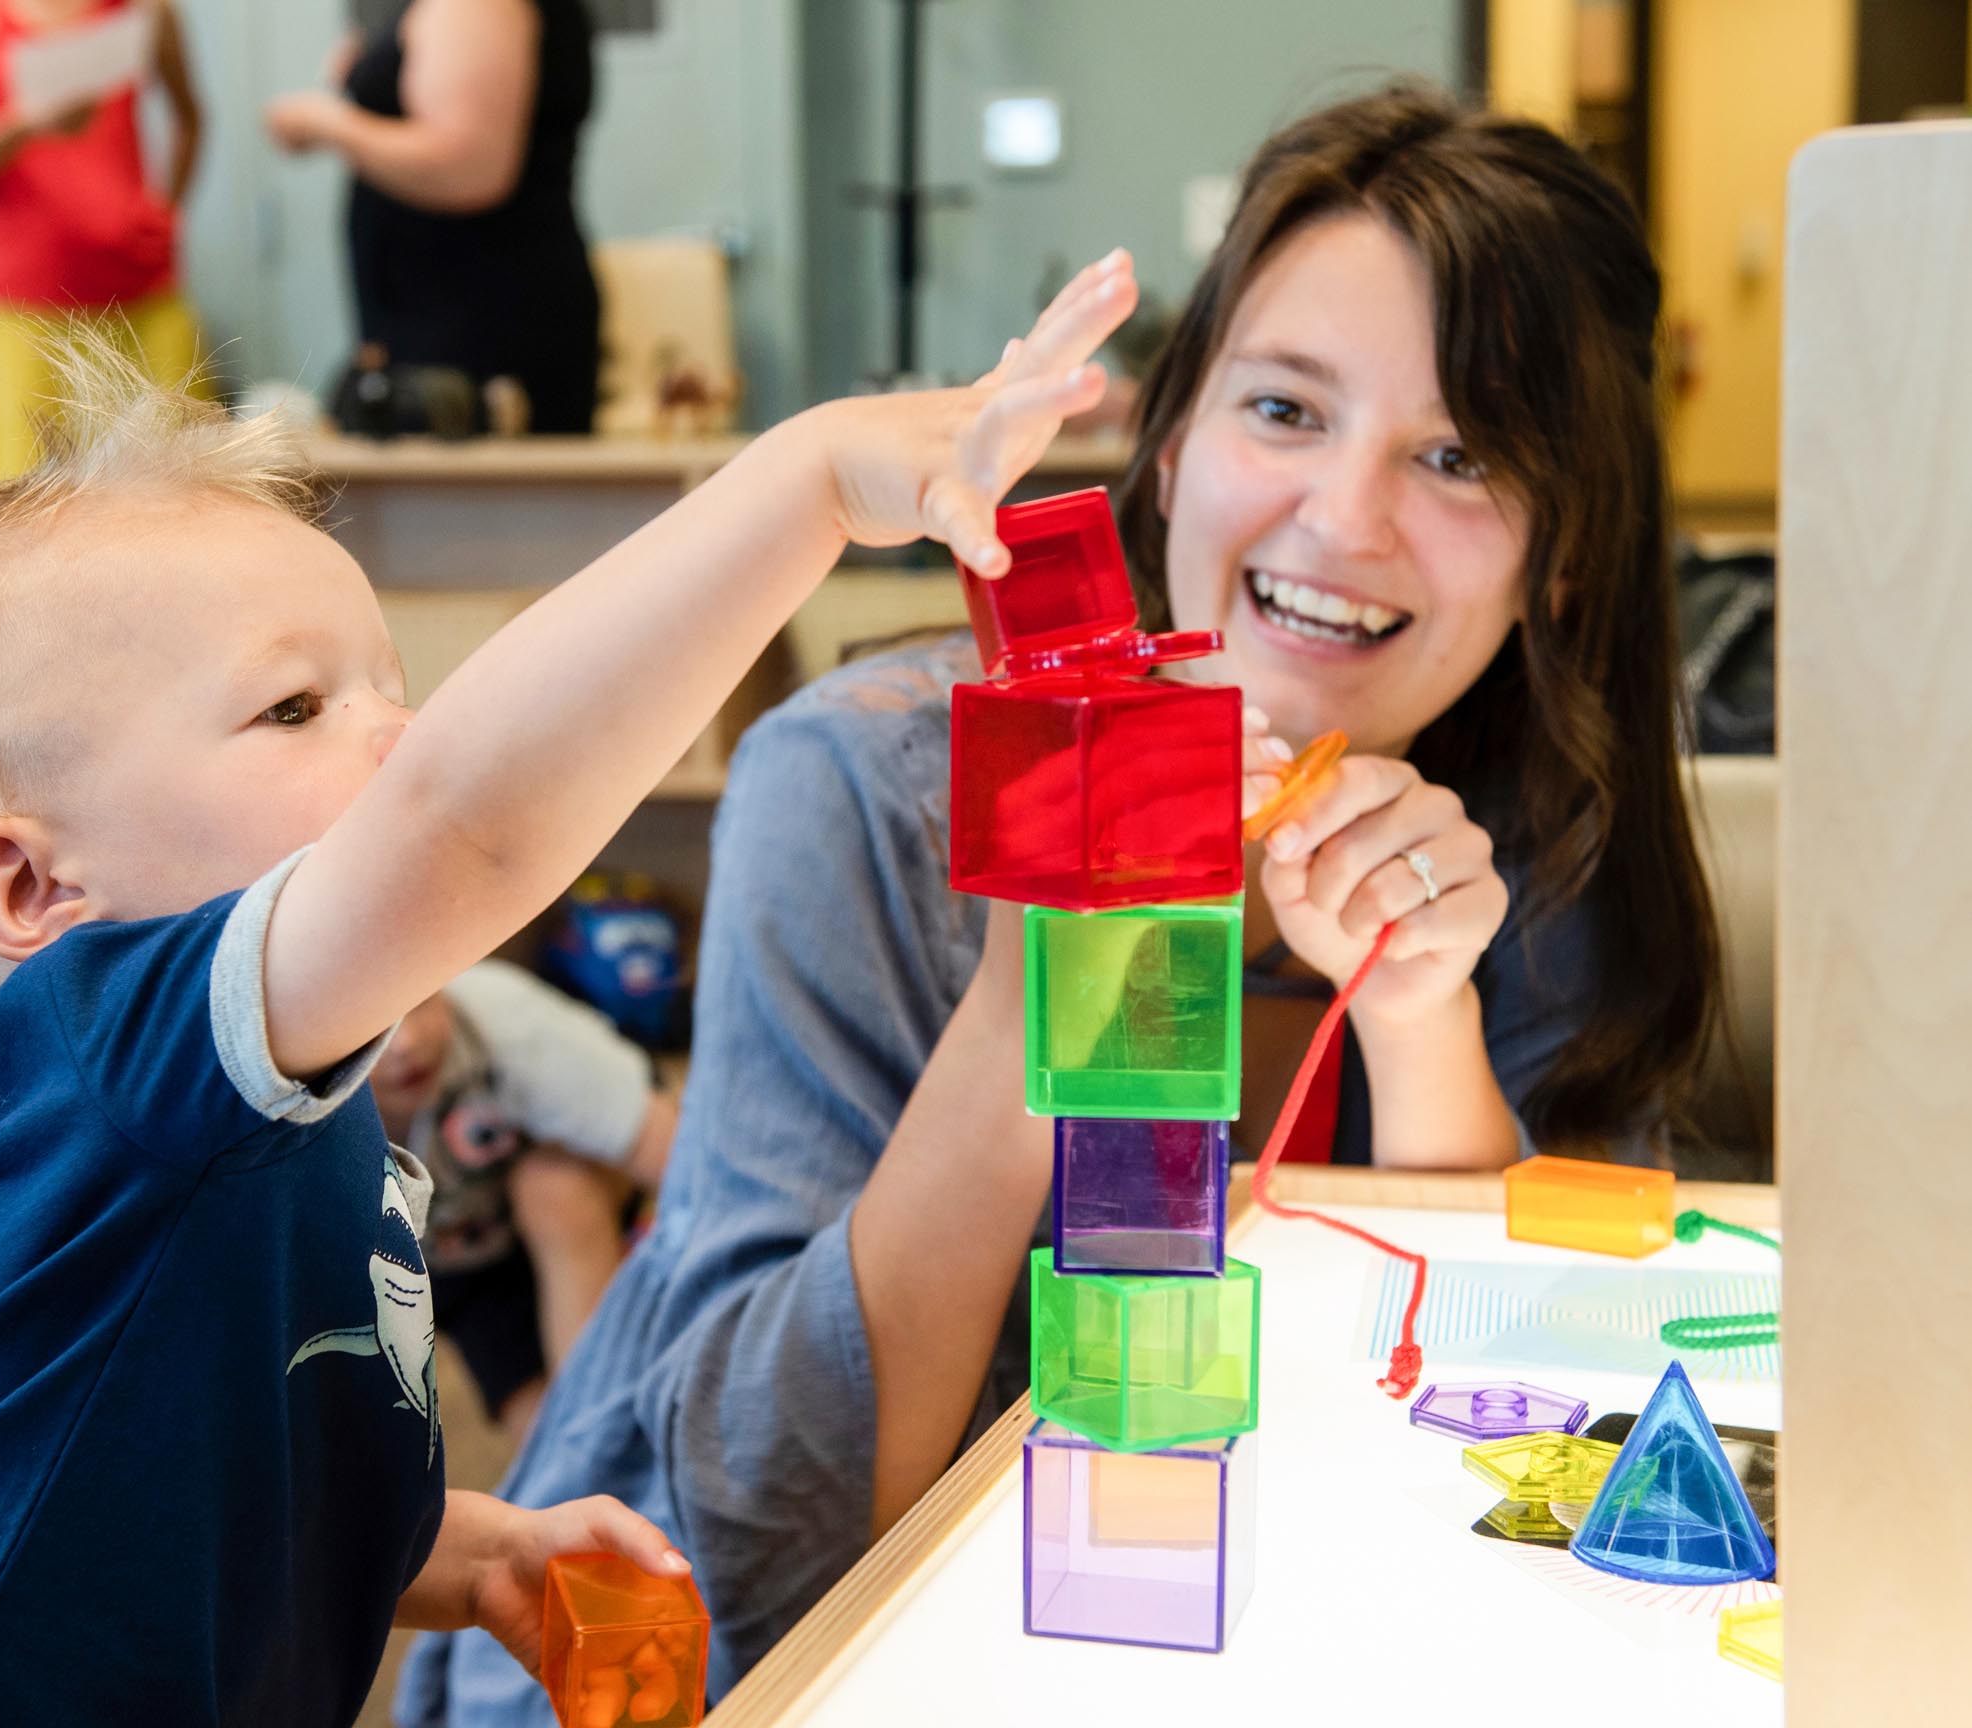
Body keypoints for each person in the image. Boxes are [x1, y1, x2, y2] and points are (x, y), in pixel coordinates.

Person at [400, 83, 1727, 1725]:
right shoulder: (866, 788)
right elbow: (766, 1534)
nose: (1343, 517)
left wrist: (1417, 1022)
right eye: (1287, 411)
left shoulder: (1536, 834)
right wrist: (1048, 983)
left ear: (1564, 555)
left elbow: (1554, 1420)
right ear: (1174, 439)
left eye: (1456, 454)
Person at [0, 249, 1139, 1727]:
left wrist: (468, 1555)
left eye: (392, 689)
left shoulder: (252, 1105)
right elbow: (462, 824)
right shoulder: (103, 1052)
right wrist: (806, 489)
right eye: (295, 706)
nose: (401, 741)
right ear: (31, 896)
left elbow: (215, 1458)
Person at [265, 0, 603, 433]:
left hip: (477, 320)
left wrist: (329, 122)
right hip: (450, 312)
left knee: (492, 497)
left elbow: (470, 165)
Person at [372, 962, 679, 1436]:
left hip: (573, 1175)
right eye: (373, 1026)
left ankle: (599, 1422)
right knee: (540, 1434)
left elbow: (675, 1151)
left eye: (422, 1001)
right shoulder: (283, 1119)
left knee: (552, 1190)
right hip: (458, 1254)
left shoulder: (506, 1025)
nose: (407, 1042)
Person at [0, 0, 209, 485]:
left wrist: (167, 211)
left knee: (176, 491)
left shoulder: (147, 10)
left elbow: (190, 117)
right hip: (17, 311)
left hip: (141, 299)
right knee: (22, 509)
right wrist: (24, 125)